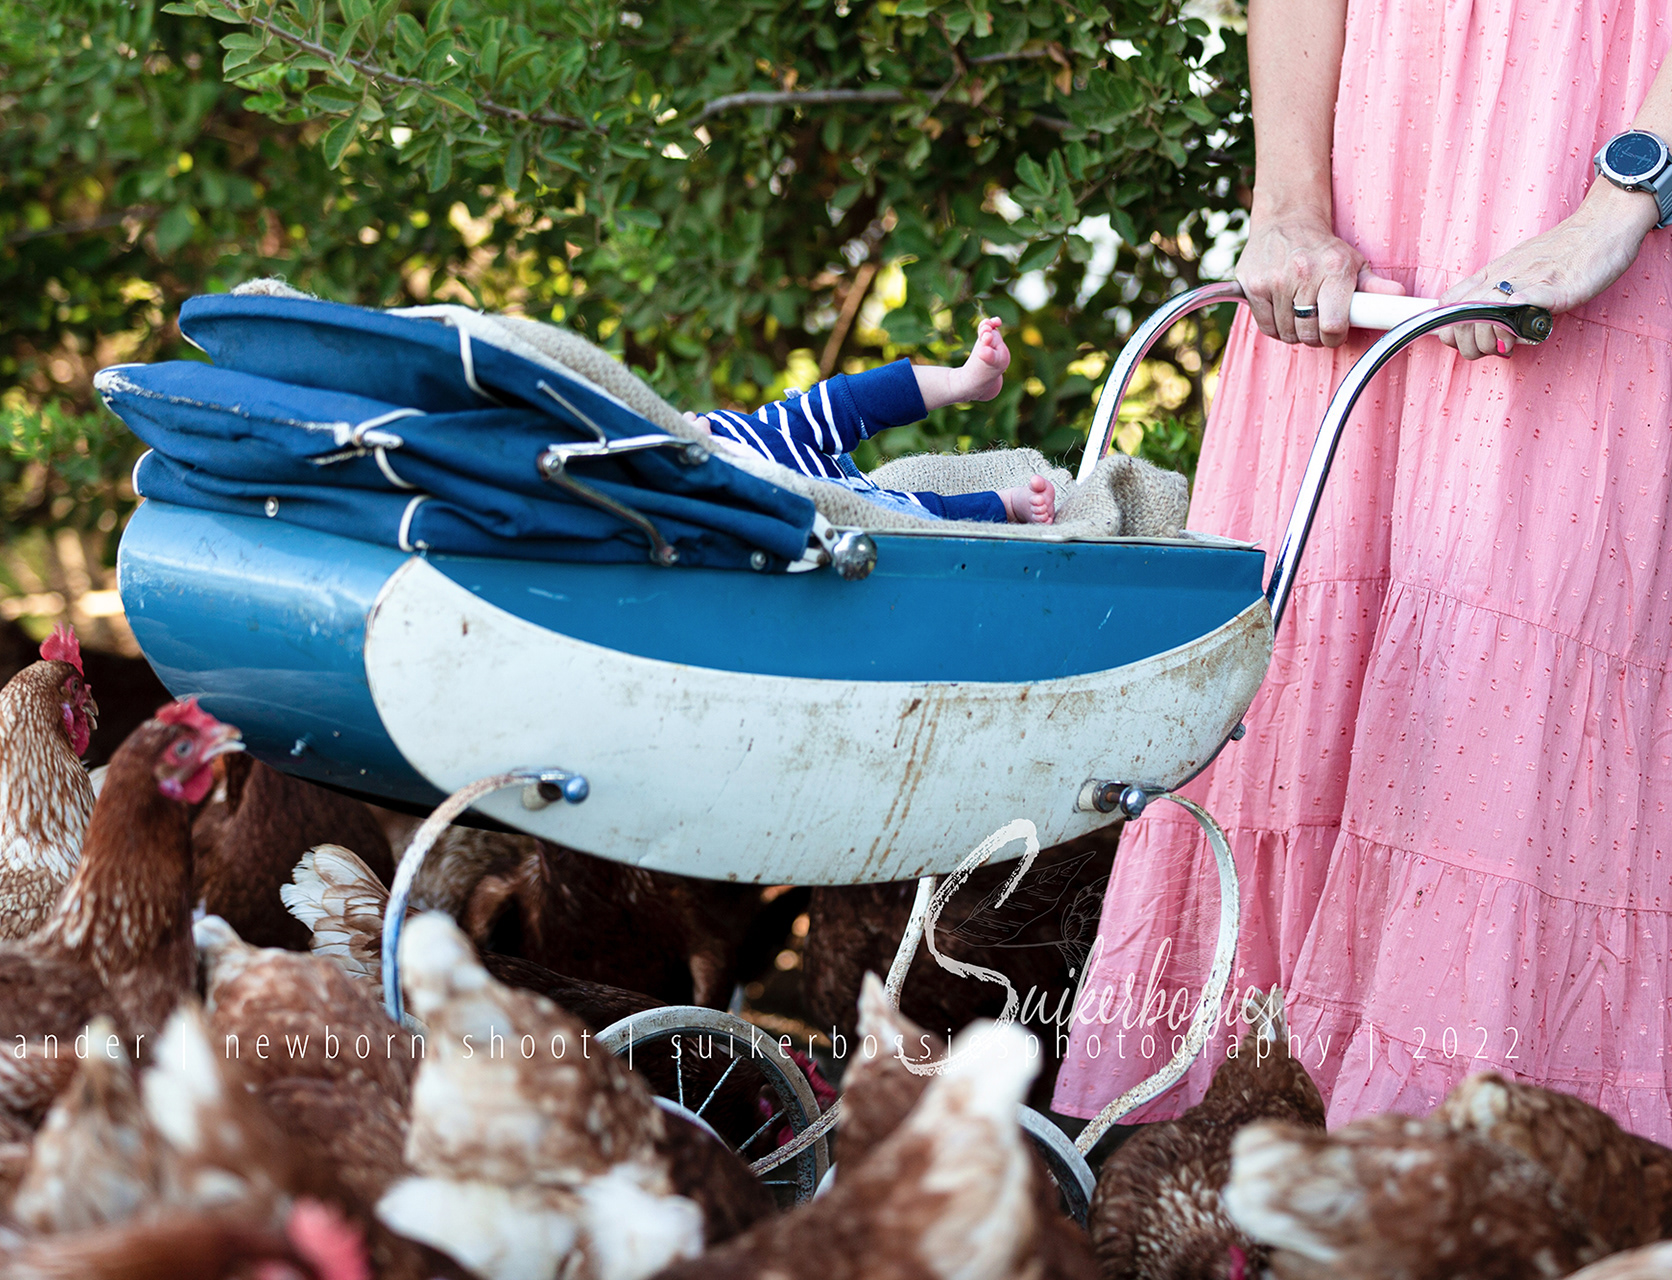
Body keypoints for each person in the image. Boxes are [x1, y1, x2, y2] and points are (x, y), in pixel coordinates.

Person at [1052, 0, 1672, 1142]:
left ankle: (1476, 1184)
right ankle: (1240, 1187)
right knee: (1293, 679)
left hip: (1605, 158)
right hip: (1376, 177)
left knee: (1514, 701)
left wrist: (1621, 200)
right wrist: (1287, 203)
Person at [689, 317, 1056, 524]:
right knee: (902, 513)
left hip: (743, 437)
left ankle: (961, 380)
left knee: (839, 401)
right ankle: (1007, 504)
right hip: (798, 503)